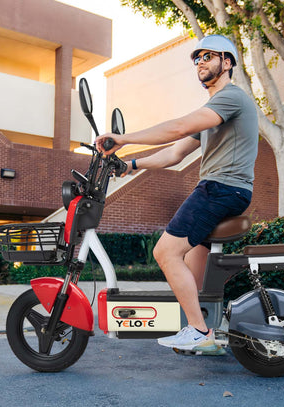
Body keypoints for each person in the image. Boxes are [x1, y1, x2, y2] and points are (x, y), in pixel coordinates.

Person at [96, 34, 258, 352]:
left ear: (227, 63)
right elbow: (174, 153)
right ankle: (203, 330)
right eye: (197, 58)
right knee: (195, 284)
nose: (200, 62)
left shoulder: (232, 98)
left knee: (164, 253)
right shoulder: (213, 112)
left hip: (220, 188)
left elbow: (177, 128)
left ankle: (199, 332)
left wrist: (124, 138)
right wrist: (130, 165)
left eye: (208, 56)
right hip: (227, 191)